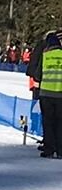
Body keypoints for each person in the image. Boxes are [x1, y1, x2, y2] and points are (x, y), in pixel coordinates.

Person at [33, 30, 62, 158]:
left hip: (46, 95)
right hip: (61, 95)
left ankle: (49, 149)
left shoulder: (45, 56)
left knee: (48, 122)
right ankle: (60, 150)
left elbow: (37, 76)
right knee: (60, 122)